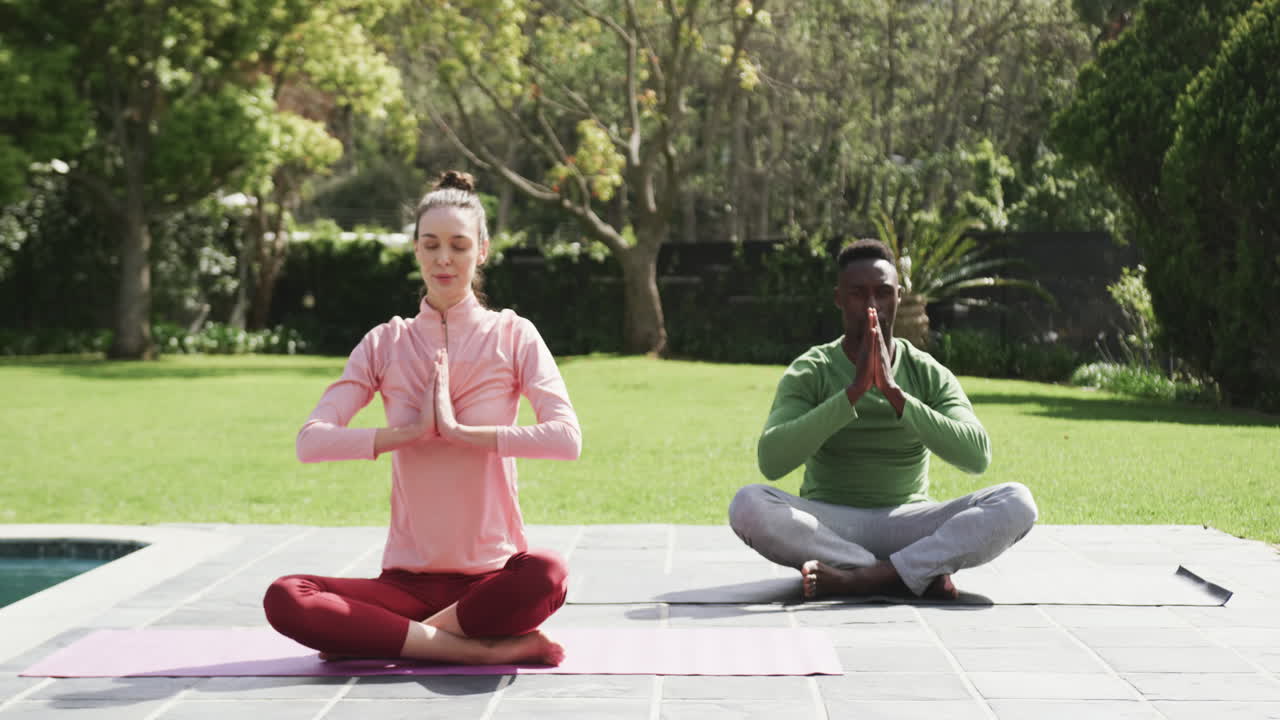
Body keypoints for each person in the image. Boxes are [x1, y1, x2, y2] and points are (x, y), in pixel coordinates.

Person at [263, 171, 581, 666]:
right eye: (430, 244)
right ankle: (475, 652)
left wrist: (461, 433)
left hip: (491, 583)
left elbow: (566, 438)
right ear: (415, 250)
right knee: (287, 595)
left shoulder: (514, 335)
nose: (444, 258)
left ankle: (395, 639)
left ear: (482, 251)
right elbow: (311, 442)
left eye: (458, 244)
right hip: (405, 585)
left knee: (548, 572)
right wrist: (407, 433)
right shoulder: (385, 343)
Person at [728, 238, 1037, 600]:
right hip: (829, 524)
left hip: (909, 523)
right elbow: (772, 460)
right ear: (839, 298)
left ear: (899, 296)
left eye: (883, 293)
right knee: (748, 505)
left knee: (1017, 502)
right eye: (858, 294)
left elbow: (976, 456)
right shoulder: (812, 369)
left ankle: (867, 577)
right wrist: (852, 394)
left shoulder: (927, 373)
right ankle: (909, 571)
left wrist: (895, 395)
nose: (872, 306)